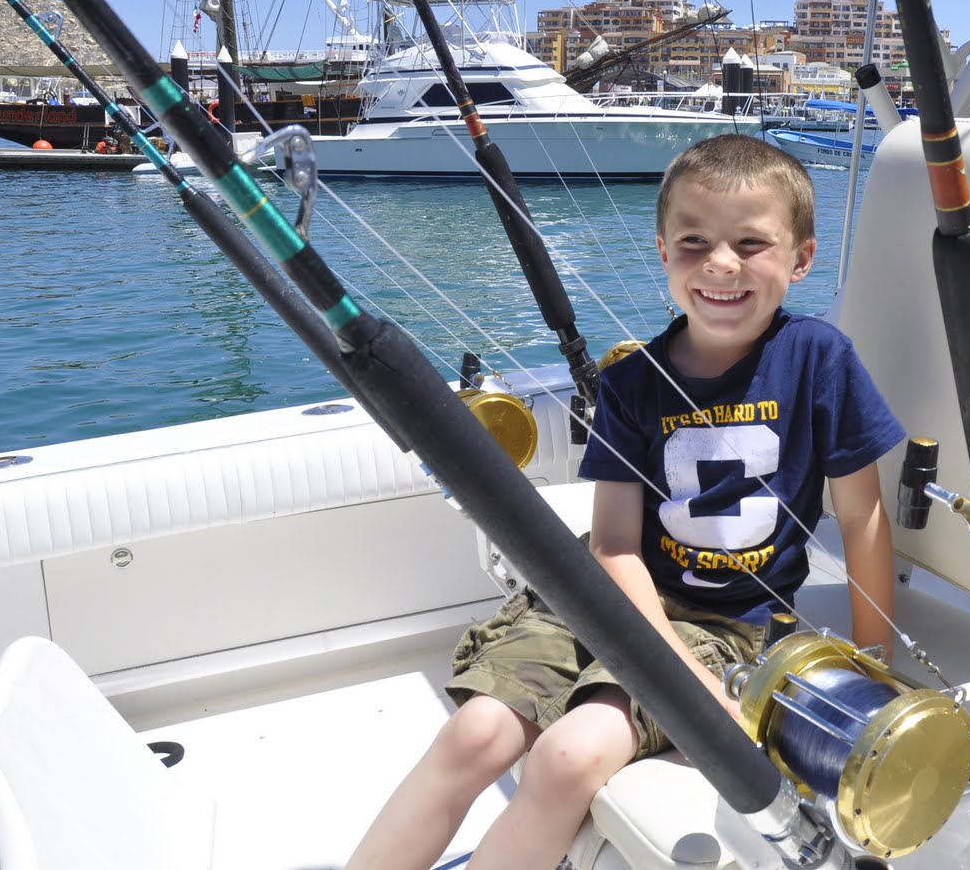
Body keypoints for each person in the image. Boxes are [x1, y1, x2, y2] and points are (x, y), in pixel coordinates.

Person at [345, 134, 905, 870]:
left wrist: (870, 665)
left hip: (724, 627)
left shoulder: (820, 360)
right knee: (474, 734)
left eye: (750, 243)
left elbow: (861, 515)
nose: (721, 264)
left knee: (568, 757)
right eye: (694, 242)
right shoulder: (631, 384)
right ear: (664, 251)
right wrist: (678, 674)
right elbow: (612, 545)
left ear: (801, 259)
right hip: (598, 599)